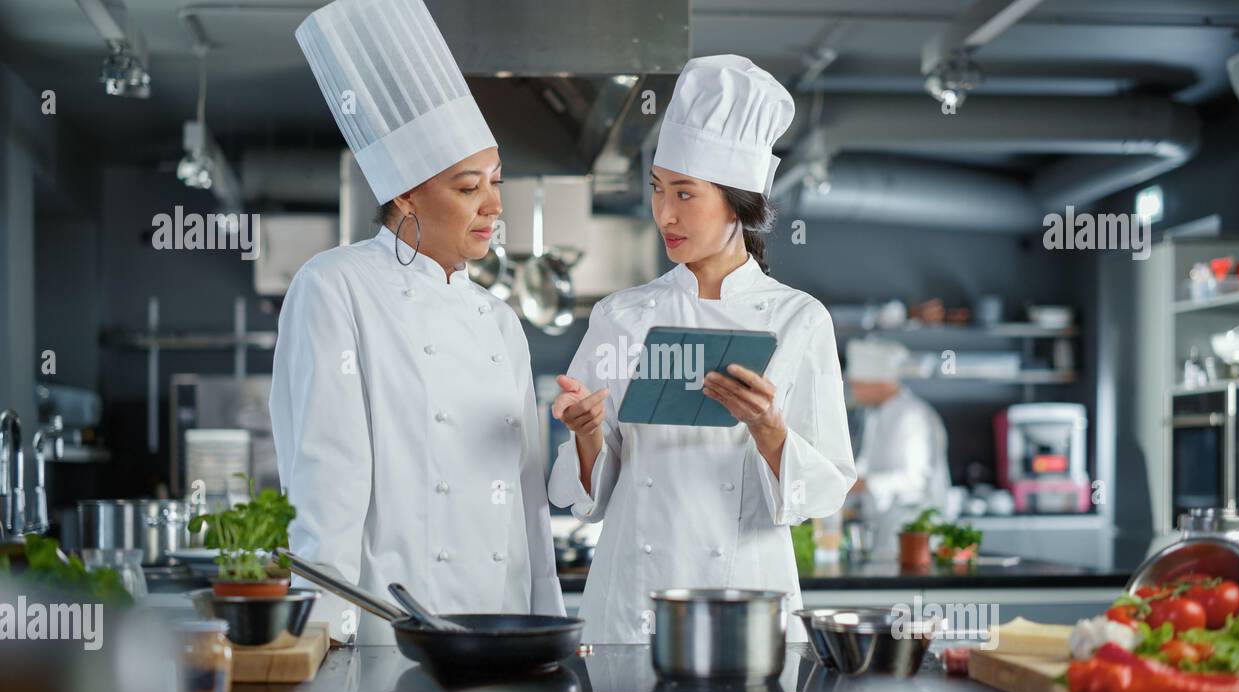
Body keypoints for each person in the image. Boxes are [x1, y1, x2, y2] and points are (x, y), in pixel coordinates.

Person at [271, 0, 563, 645]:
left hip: (502, 631)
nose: (493, 205)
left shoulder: (499, 319)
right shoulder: (334, 286)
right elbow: (328, 481)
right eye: (467, 188)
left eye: (495, 181)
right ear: (405, 194)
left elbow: (526, 501)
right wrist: (323, 640)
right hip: (392, 634)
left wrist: (547, 627)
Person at [547, 55, 856, 644]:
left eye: (685, 194)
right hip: (634, 603)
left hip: (748, 597)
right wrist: (585, 433)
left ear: (737, 204)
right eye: (658, 190)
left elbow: (827, 486)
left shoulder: (798, 320)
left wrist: (769, 429)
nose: (664, 213)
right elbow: (588, 498)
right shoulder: (622, 315)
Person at [845, 337, 951, 558]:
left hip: (917, 532)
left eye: (858, 384)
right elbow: (866, 465)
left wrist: (863, 484)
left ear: (881, 383)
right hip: (887, 532)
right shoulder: (877, 414)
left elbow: (914, 479)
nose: (853, 390)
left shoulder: (911, 415)